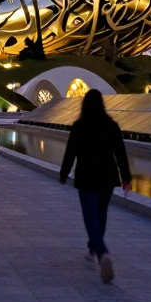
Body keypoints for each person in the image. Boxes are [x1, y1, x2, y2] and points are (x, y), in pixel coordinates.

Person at [58, 89, 132, 284]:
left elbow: (71, 151)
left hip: (87, 177)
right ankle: (93, 248)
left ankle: (102, 252)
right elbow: (120, 153)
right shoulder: (111, 125)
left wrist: (64, 173)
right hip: (107, 177)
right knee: (101, 214)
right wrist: (126, 178)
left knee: (91, 217)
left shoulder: (79, 126)